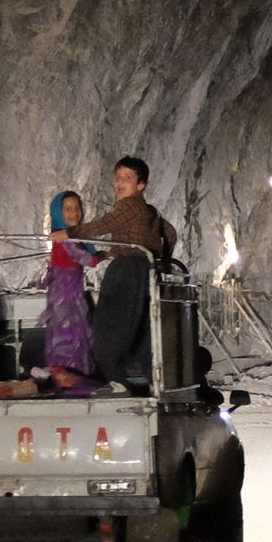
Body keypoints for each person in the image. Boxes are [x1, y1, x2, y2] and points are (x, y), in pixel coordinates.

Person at [79, 154, 177, 388]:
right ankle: (140, 381)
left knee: (109, 328)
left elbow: (104, 225)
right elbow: (170, 233)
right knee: (140, 327)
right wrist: (161, 259)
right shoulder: (149, 210)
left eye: (127, 178)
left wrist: (69, 233)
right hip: (144, 271)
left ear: (140, 184)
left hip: (125, 271)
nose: (119, 183)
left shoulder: (129, 205)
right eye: (118, 177)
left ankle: (113, 379)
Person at [40, 190, 98, 380]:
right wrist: (107, 254)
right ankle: (69, 377)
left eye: (77, 208)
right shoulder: (64, 238)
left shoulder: (68, 236)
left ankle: (70, 376)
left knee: (72, 333)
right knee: (69, 335)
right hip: (65, 296)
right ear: (59, 213)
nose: (75, 213)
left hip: (69, 293)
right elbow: (87, 259)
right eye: (68, 209)